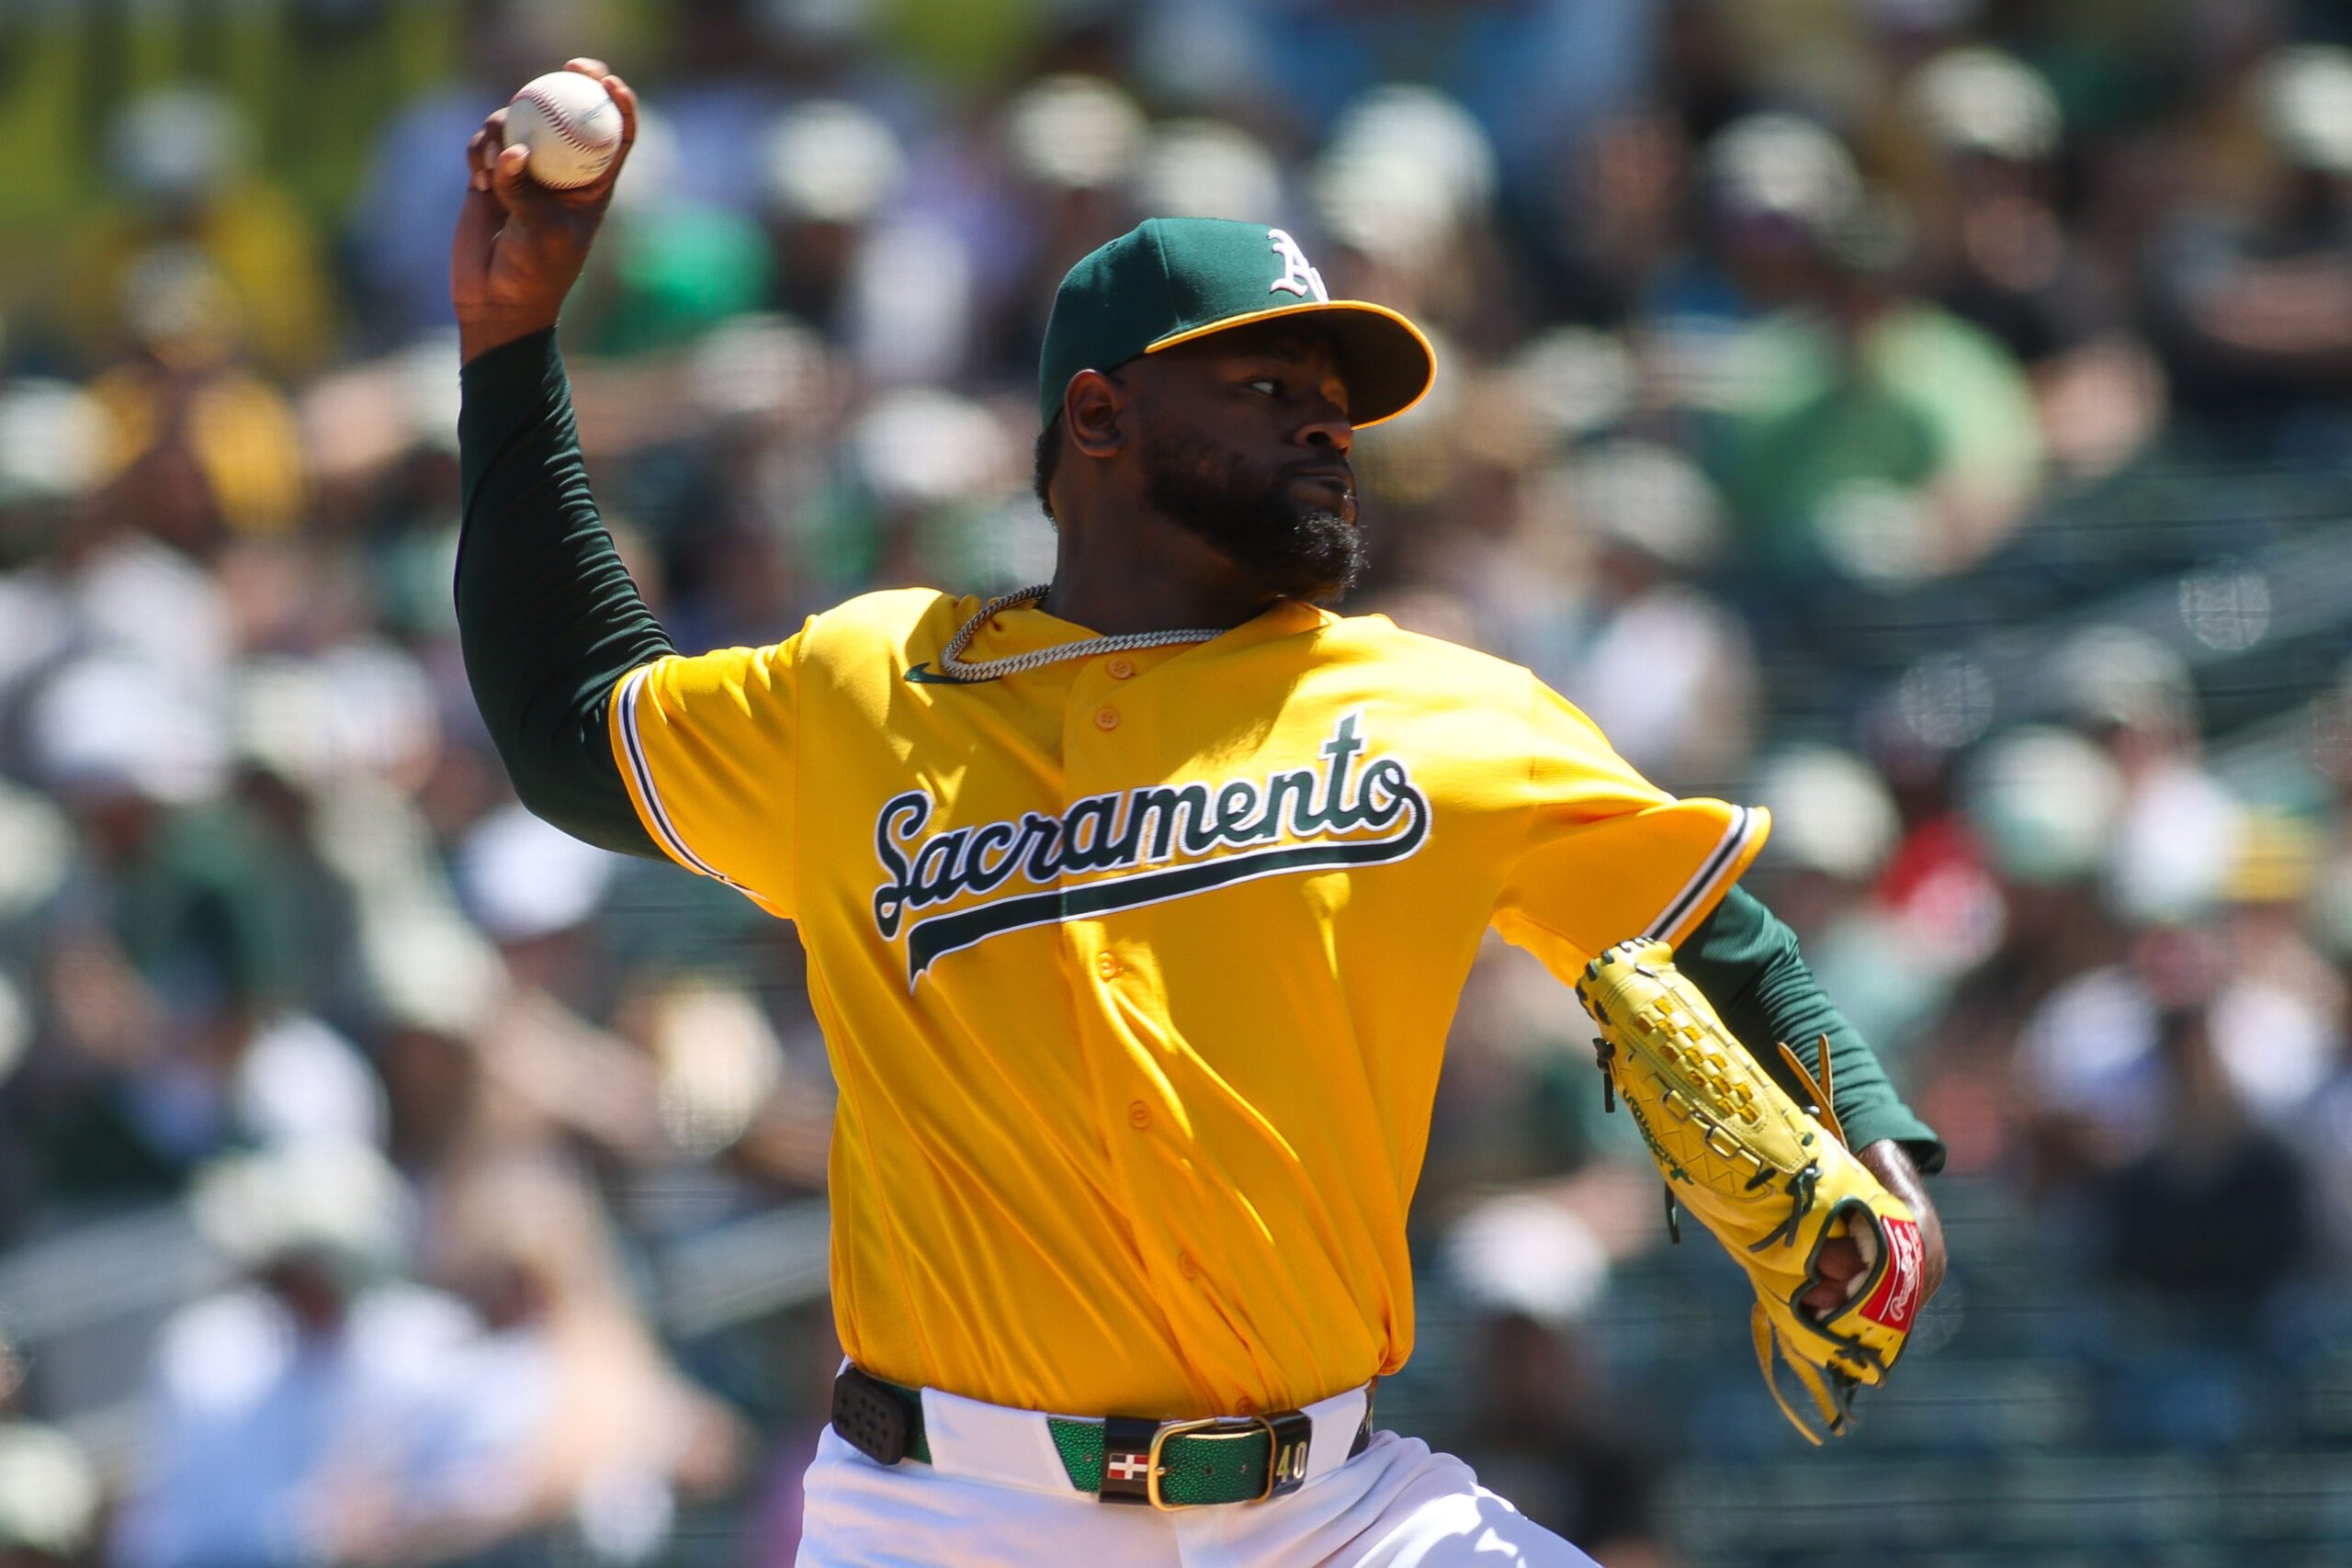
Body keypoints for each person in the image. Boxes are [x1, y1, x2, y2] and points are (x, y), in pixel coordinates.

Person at [452, 60, 1948, 1567]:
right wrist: (511, 346)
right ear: (1098, 417)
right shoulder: (869, 686)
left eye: (1336, 400)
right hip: (953, 1517)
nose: (1327, 428)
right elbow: (575, 730)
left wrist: (1882, 1154)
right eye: (1269, 387)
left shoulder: (1446, 711)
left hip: (1336, 1513)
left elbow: (1705, 931)